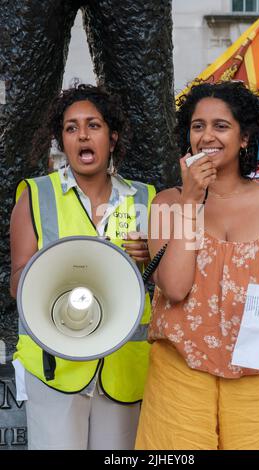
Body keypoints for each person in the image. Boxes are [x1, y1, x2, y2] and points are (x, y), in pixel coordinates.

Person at [135, 81, 259, 450]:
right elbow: (175, 288)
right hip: (180, 374)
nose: (206, 135)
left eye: (220, 126)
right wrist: (191, 200)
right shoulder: (166, 204)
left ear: (245, 138)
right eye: (197, 126)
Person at [10, 83, 156, 450]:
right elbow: (17, 283)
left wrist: (149, 259)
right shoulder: (35, 193)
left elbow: (169, 282)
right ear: (62, 140)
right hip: (55, 369)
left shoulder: (146, 197)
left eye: (93, 125)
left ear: (112, 136)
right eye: (71, 128)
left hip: (123, 368)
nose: (82, 135)